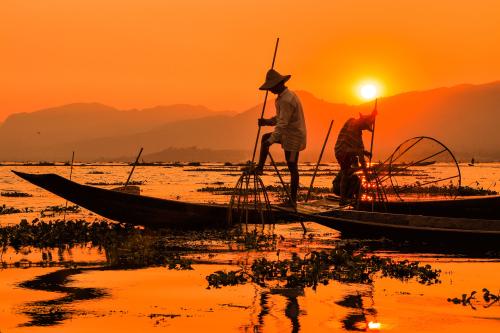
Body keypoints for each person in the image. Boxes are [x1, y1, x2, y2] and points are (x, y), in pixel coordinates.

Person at [255, 69, 307, 206]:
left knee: (292, 167)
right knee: (265, 137)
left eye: (271, 87)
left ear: (278, 84)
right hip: (287, 134)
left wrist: (271, 141)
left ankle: (293, 200)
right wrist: (267, 121)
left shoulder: (287, 100)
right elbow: (280, 119)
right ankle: (260, 167)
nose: (270, 90)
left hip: (294, 138)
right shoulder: (283, 97)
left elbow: (282, 124)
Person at [333, 110, 377, 204]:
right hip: (342, 151)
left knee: (347, 175)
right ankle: (343, 200)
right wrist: (365, 171)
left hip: (345, 151)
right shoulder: (353, 125)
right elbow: (358, 150)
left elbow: (357, 146)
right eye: (365, 126)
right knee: (345, 174)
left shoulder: (356, 129)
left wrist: (373, 115)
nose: (364, 128)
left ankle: (345, 199)